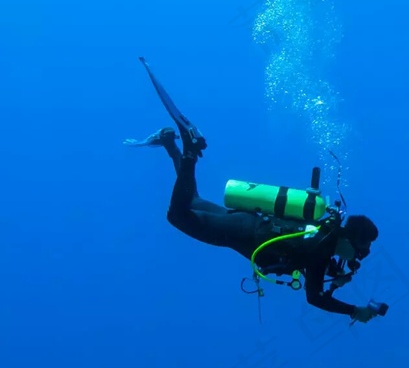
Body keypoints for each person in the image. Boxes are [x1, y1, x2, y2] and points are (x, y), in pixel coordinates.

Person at [125, 58, 389, 324]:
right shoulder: (322, 248)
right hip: (241, 233)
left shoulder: (324, 234)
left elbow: (309, 258)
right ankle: (190, 150)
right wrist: (354, 310)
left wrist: (336, 274)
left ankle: (169, 143)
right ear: (350, 240)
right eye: (362, 251)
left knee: (192, 200)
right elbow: (315, 297)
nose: (359, 258)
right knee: (177, 216)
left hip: (248, 221)